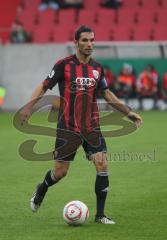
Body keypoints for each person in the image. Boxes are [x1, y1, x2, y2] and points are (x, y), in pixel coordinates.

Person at [20, 25, 143, 224]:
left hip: (91, 126)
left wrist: (128, 112)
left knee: (102, 164)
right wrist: (28, 108)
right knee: (60, 172)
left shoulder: (97, 68)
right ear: (75, 42)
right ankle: (42, 188)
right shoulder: (63, 65)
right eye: (85, 40)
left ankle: (100, 215)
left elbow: (106, 93)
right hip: (68, 126)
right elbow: (44, 86)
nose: (89, 44)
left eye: (92, 40)